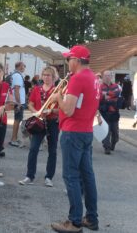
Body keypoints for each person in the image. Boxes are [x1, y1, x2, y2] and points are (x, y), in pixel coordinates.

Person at [51, 45, 100, 233]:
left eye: (69, 59)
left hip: (73, 132)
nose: (67, 62)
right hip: (86, 131)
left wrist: (57, 97)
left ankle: (74, 222)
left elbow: (69, 109)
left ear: (76, 61)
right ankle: (91, 219)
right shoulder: (94, 78)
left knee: (71, 176)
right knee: (88, 176)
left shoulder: (77, 78)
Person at [19, 66, 59, 187]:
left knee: (52, 151)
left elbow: (61, 109)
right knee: (33, 149)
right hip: (39, 121)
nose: (46, 77)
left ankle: (49, 177)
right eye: (45, 75)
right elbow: (30, 104)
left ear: (54, 77)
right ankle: (29, 176)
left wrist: (51, 111)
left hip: (52, 122)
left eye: (49, 75)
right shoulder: (36, 89)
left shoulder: (57, 91)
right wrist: (36, 112)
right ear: (42, 76)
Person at [99, 70, 121, 154]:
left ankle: (113, 144)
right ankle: (106, 147)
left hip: (114, 112)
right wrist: (110, 96)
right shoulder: (100, 87)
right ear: (103, 77)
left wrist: (107, 94)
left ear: (111, 77)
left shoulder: (116, 86)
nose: (107, 77)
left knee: (115, 133)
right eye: (105, 75)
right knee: (106, 131)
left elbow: (117, 94)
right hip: (104, 112)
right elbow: (100, 96)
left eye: (109, 75)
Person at [9, 61, 26, 147]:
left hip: (17, 101)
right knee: (17, 120)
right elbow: (16, 90)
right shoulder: (17, 76)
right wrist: (19, 103)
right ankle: (13, 139)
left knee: (18, 120)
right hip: (18, 102)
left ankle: (14, 138)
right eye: (23, 66)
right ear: (19, 66)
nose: (24, 67)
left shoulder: (15, 74)